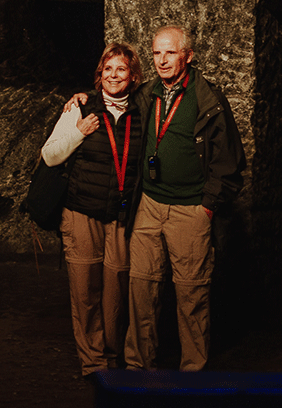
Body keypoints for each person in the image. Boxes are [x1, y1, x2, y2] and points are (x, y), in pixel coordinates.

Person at [69, 25, 245, 371]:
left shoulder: (207, 98)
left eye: (171, 53)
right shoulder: (146, 93)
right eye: (157, 53)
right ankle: (138, 369)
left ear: (188, 56)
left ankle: (193, 371)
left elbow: (231, 160)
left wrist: (207, 206)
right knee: (141, 291)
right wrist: (81, 98)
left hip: (191, 209)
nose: (163, 60)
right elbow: (112, 93)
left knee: (191, 294)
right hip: (148, 206)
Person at [41, 42, 147, 379]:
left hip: (120, 215)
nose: (113, 76)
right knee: (85, 290)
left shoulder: (142, 112)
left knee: (117, 290)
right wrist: (78, 132)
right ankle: (93, 362)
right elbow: (50, 155)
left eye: (121, 70)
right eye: (107, 70)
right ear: (99, 76)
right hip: (81, 212)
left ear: (133, 77)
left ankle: (112, 358)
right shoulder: (81, 108)